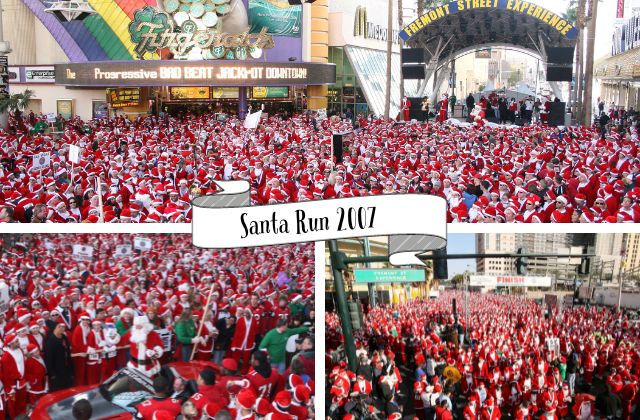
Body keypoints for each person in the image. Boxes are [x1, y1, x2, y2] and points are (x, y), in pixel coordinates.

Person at [43, 322, 73, 391]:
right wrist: (52, 373)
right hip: (56, 371)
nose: (62, 328)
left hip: (66, 366)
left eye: (62, 326)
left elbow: (67, 350)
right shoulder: (50, 342)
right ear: (54, 329)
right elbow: (48, 359)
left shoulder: (63, 337)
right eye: (59, 327)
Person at [230, 307, 258, 373]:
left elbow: (255, 331)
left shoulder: (254, 320)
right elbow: (236, 332)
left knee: (246, 359)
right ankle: (232, 370)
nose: (247, 313)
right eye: (246, 312)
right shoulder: (240, 320)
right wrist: (234, 344)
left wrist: (253, 341)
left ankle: (244, 372)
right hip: (239, 342)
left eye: (248, 312)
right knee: (235, 358)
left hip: (249, 343)